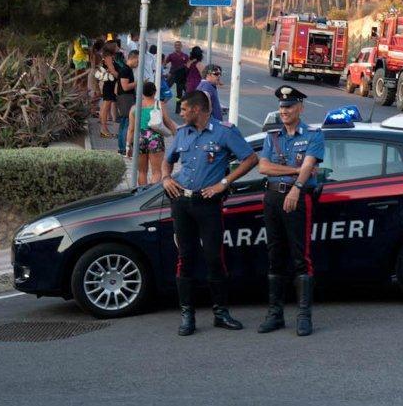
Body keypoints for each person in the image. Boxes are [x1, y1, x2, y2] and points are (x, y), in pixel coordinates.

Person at [161, 90, 258, 336]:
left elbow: (250, 158)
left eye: (183, 109)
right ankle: (187, 315)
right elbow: (167, 159)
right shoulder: (183, 133)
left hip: (208, 204)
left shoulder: (224, 131)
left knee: (214, 257)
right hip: (181, 202)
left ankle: (221, 313)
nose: (181, 114)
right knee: (185, 257)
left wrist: (223, 184)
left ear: (197, 110)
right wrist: (165, 178)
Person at [257, 85, 325, 337]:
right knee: (275, 254)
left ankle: (304, 316)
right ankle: (275, 315)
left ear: (300, 108)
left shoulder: (313, 135)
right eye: (282, 107)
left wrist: (297, 187)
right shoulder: (272, 136)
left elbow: (309, 166)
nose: (284, 110)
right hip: (273, 197)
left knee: (300, 256)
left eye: (289, 106)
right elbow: (263, 167)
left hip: (298, 198)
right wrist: (297, 172)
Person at [126, 81, 178, 185]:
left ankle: (142, 195)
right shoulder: (159, 105)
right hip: (155, 138)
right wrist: (177, 135)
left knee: (142, 172)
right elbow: (167, 122)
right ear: (155, 92)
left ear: (141, 93)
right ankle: (151, 195)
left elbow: (131, 129)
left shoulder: (134, 108)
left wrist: (128, 146)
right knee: (157, 171)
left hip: (139, 138)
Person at [115, 50, 139, 155]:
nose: (138, 63)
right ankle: (124, 147)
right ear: (133, 58)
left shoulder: (125, 69)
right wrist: (139, 83)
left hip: (123, 98)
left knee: (123, 123)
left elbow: (117, 89)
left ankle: (121, 148)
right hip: (126, 98)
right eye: (138, 60)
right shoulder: (126, 70)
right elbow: (125, 87)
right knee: (127, 124)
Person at [98, 41, 119, 138]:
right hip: (109, 84)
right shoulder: (109, 57)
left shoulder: (108, 56)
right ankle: (103, 129)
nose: (117, 47)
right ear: (112, 48)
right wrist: (120, 76)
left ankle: (104, 128)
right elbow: (112, 70)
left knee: (105, 105)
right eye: (116, 46)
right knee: (106, 106)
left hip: (109, 84)